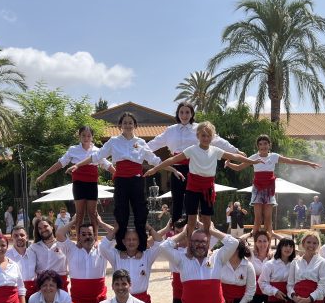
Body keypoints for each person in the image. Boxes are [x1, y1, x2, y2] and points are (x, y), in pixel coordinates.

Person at [147, 121, 257, 237]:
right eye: (203, 135)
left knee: (207, 221)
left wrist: (252, 161)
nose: (206, 138)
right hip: (193, 188)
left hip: (208, 189)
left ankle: (206, 247)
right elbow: (172, 160)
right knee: (192, 220)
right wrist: (155, 169)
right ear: (198, 136)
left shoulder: (215, 150)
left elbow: (234, 156)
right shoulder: (192, 149)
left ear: (212, 137)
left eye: (209, 136)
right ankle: (190, 248)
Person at [78, 112, 161, 251]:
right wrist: (78, 165)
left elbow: (155, 160)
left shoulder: (140, 142)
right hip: (121, 180)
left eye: (130, 122)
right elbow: (97, 156)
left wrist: (174, 169)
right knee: (121, 214)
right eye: (125, 123)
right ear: (120, 126)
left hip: (137, 180)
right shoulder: (114, 141)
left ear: (135, 125)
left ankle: (142, 247)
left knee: (140, 214)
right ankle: (121, 247)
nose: (127, 125)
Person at [147, 102, 240, 224]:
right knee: (177, 198)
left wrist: (236, 151)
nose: (184, 115)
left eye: (187, 112)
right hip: (177, 167)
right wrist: (138, 150)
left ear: (192, 114)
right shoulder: (171, 130)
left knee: (195, 200)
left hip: (195, 167)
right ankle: (176, 228)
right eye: (181, 112)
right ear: (177, 113)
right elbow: (154, 143)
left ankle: (195, 227)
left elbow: (218, 141)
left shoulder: (199, 128)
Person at [225, 134, 320, 237]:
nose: (263, 146)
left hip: (269, 188)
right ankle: (257, 241)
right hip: (257, 188)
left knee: (268, 218)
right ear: (258, 146)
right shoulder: (254, 157)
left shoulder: (274, 156)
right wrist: (229, 164)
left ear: (269, 145)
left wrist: (308, 163)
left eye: (265, 143)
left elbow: (290, 160)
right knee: (258, 218)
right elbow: (239, 167)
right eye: (260, 144)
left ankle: (267, 242)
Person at [36, 125, 114, 238]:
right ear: (79, 136)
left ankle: (95, 238)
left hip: (92, 184)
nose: (86, 138)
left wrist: (119, 175)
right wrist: (44, 174)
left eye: (88, 136)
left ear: (92, 137)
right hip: (79, 184)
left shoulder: (97, 151)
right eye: (83, 135)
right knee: (80, 213)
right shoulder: (73, 150)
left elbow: (107, 165)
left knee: (93, 213)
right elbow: (60, 164)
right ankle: (79, 239)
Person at [29, 220, 68, 290]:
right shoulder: (34, 247)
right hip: (42, 286)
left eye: (45, 226)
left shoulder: (63, 244)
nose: (43, 230)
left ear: (52, 226)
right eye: (40, 228)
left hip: (61, 285)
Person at [6, 226, 38, 298]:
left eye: (22, 235)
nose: (19, 237)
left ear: (26, 237)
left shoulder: (34, 254)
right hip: (15, 294)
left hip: (33, 294)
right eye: (16, 236)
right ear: (11, 238)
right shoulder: (5, 256)